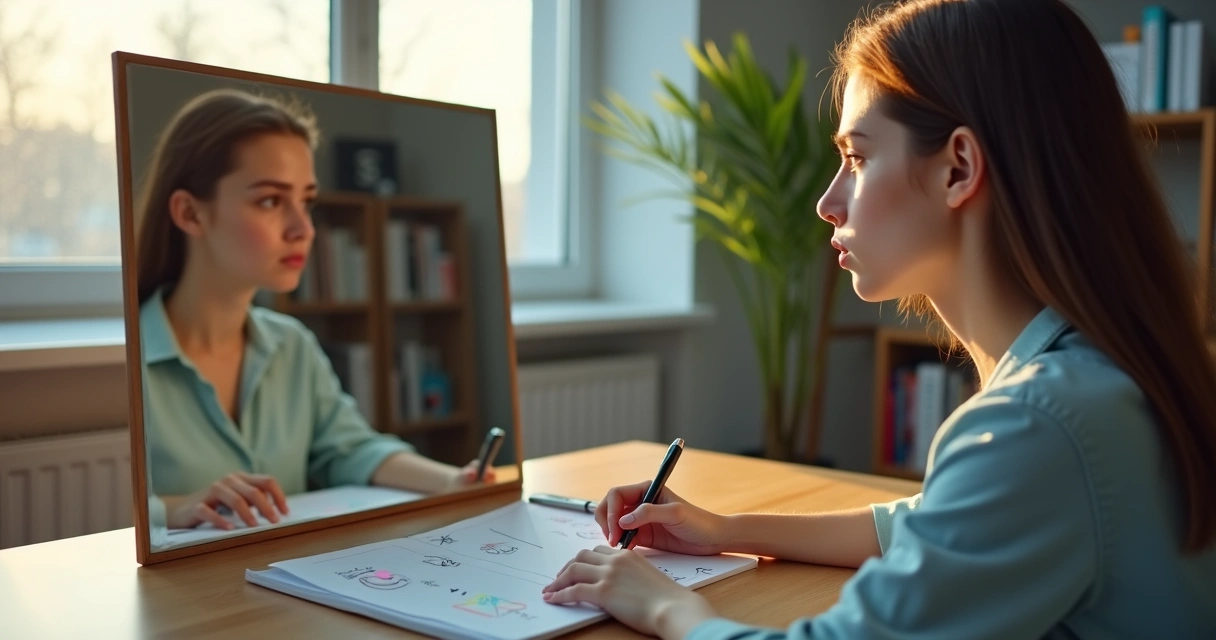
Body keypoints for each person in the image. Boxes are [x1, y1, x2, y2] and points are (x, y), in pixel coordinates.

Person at [541, 0, 1216, 637]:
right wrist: (724, 529)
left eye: (858, 159)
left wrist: (665, 607)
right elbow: (928, 524)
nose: (828, 203)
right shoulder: (1098, 379)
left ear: (958, 168)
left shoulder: (1038, 425)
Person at [135, 88, 495, 533]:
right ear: (190, 213)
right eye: (270, 200)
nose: (303, 229)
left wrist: (454, 482)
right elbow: (93, 518)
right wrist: (174, 508)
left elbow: (349, 448)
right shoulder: (122, 362)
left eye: (305, 201)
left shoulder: (291, 345)